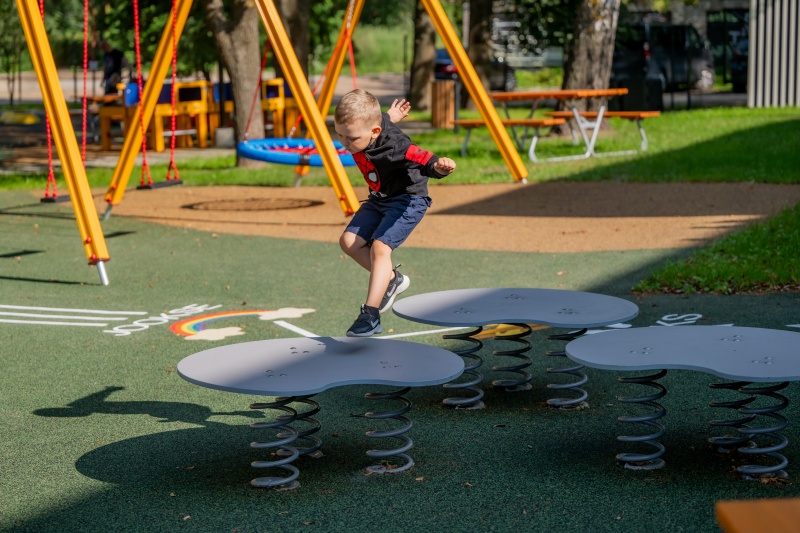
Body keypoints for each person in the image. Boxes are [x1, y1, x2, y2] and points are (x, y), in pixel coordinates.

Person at [334, 89, 456, 337]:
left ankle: (371, 315)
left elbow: (424, 160)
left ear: (374, 131)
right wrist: (390, 116)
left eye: (352, 138)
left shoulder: (396, 145)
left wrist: (440, 167)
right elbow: (383, 120)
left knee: (380, 247)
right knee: (348, 242)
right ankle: (392, 279)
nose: (345, 143)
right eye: (340, 135)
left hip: (408, 200)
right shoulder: (370, 126)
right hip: (380, 198)